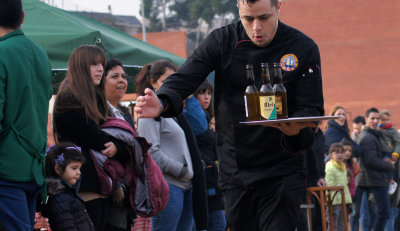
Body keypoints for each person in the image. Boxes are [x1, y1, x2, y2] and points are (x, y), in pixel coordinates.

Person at [134, 0, 324, 229]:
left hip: (283, 168)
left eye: (263, 17)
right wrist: (163, 100)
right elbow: (188, 75)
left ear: (278, 7)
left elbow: (311, 106)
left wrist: (298, 128)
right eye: (248, 19)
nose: (256, 28)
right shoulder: (222, 40)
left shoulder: (303, 47)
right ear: (238, 11)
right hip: (236, 169)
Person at [53, 45, 120, 231]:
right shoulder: (70, 97)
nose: (100, 69)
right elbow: (95, 137)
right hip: (84, 179)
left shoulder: (93, 95)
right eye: (93, 64)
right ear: (81, 66)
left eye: (101, 64)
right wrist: (119, 145)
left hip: (97, 178)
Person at [135, 60, 208, 231]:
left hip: (186, 185)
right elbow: (150, 152)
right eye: (165, 81)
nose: (170, 85)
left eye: (174, 80)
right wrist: (181, 170)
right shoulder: (149, 111)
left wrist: (187, 94)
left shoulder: (174, 112)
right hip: (169, 186)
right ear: (153, 83)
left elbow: (200, 127)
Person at [0, 0, 52, 230]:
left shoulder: (2, 53)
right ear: (22, 17)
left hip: (6, 170)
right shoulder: (40, 53)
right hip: (34, 169)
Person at [188, 80, 226, 231]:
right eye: (202, 93)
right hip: (202, 183)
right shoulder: (194, 119)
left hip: (214, 184)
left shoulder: (209, 118)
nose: (206, 97)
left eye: (209, 93)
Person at [104, 58, 136, 231]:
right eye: (114, 76)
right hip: (110, 194)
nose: (121, 80)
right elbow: (102, 153)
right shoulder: (99, 112)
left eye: (123, 76)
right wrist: (115, 185)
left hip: (128, 195)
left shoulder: (125, 113)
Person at [356, 107, 396, 231]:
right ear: (366, 119)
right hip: (374, 180)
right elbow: (371, 161)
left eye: (377, 118)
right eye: (372, 118)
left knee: (375, 214)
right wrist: (389, 165)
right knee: (384, 213)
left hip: (372, 179)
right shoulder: (368, 137)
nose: (375, 121)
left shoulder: (372, 135)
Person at [41, 143, 95, 231]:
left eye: (79, 168)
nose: (79, 172)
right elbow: (65, 225)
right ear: (58, 169)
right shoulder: (59, 196)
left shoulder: (69, 192)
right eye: (74, 168)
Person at [325, 143, 352, 231]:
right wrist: (332, 202)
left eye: (342, 152)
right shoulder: (329, 167)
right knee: (333, 225)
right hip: (333, 202)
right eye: (337, 152)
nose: (340, 154)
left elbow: (345, 187)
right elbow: (330, 186)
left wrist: (348, 201)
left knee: (342, 224)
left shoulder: (343, 167)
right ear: (331, 155)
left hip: (342, 201)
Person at [379, 109, 400, 195]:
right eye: (383, 120)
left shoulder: (393, 130)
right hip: (380, 152)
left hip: (388, 152)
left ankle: (391, 182)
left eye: (388, 120)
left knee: (386, 164)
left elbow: (398, 143)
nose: (386, 122)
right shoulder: (378, 129)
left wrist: (395, 153)